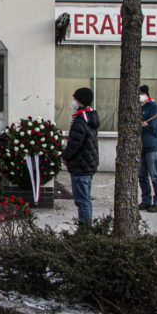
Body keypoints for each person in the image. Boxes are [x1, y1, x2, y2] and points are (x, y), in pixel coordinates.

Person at [61, 87, 99, 228]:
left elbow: (75, 143)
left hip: (80, 165)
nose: (73, 101)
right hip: (88, 163)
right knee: (85, 199)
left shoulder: (81, 119)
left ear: (80, 100)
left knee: (82, 200)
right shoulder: (89, 116)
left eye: (75, 98)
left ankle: (85, 230)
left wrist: (65, 156)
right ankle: (86, 226)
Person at [138, 85, 157, 213]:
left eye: (140, 94)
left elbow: (153, 126)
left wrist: (143, 125)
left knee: (155, 175)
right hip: (141, 147)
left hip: (153, 147)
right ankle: (146, 200)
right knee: (141, 175)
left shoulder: (153, 106)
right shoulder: (138, 107)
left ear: (145, 94)